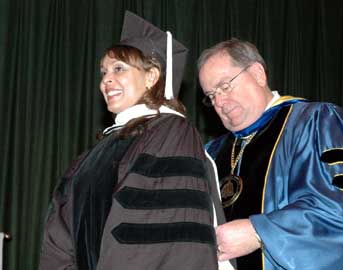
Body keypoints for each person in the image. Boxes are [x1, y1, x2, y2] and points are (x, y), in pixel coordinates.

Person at [39, 11, 231, 270]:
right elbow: (60, 235)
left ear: (151, 77)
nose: (106, 79)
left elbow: (154, 234)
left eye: (119, 68)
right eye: (104, 71)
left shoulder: (171, 132)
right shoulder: (95, 153)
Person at [198, 38, 343, 270]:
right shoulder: (212, 152)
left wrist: (259, 232)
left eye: (225, 86)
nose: (220, 102)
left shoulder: (317, 122)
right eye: (211, 96)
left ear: (257, 74)